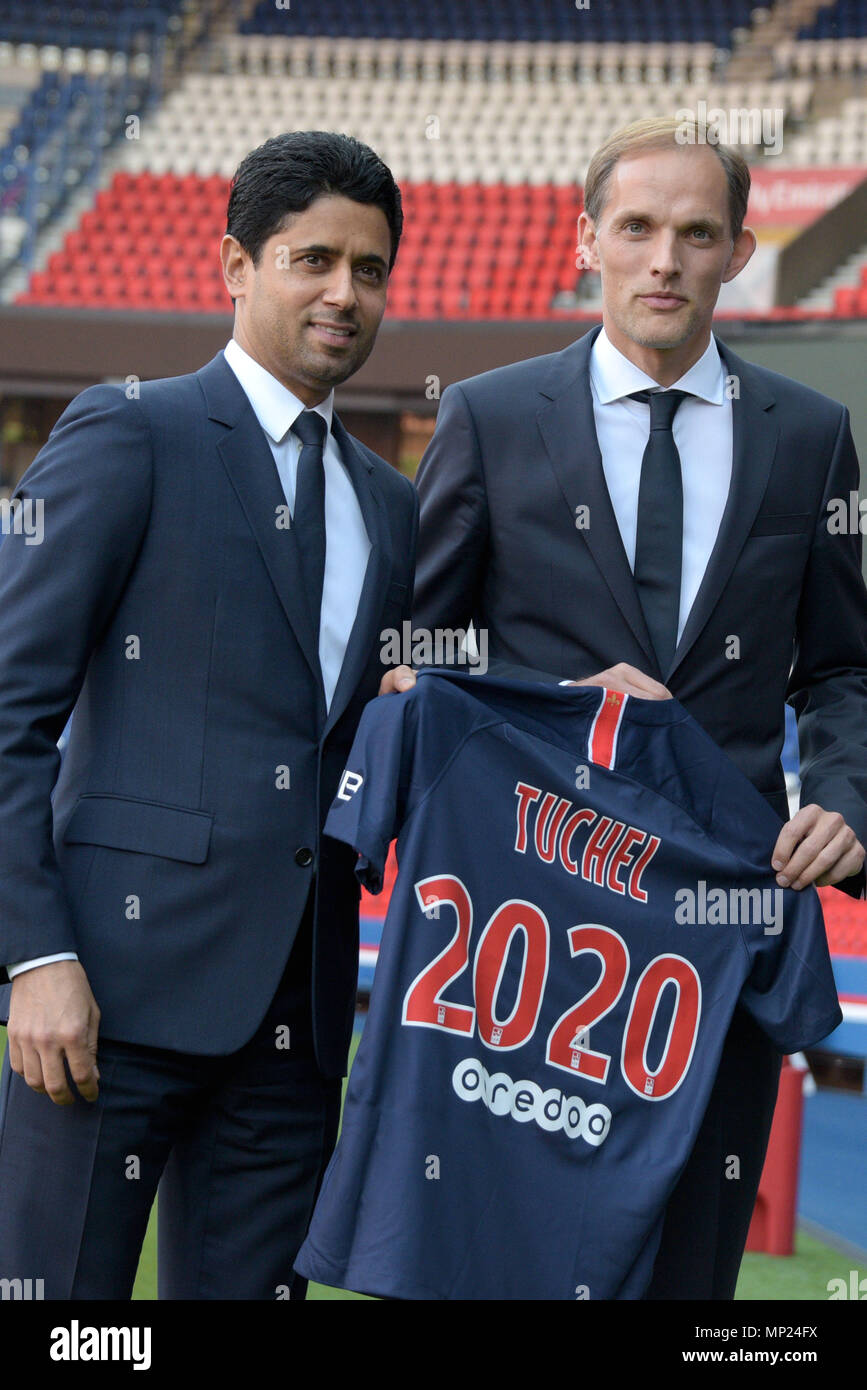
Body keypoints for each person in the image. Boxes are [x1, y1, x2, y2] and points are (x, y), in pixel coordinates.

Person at [406, 117, 867, 1299]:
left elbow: (845, 669)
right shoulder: (491, 416)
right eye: (640, 228)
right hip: (531, 928)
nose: (666, 257)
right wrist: (561, 704)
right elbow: (412, 654)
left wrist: (850, 797)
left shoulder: (812, 438)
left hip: (721, 925)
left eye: (697, 233)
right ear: (587, 243)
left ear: (740, 251)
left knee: (689, 1280)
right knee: (501, 1260)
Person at [0, 130, 417, 1300]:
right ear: (235, 263)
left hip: (298, 1022)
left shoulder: (394, 506)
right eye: (313, 259)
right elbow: (8, 706)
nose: (345, 292)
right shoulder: (129, 430)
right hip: (103, 1001)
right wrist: (35, 955)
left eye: (371, 269)